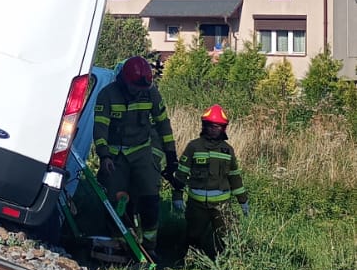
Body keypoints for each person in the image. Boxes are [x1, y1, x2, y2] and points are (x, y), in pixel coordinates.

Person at [93, 55, 177, 254]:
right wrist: (104, 156)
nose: (139, 92)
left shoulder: (151, 93)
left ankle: (149, 247)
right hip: (115, 155)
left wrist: (171, 155)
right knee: (116, 200)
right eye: (135, 88)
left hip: (141, 150)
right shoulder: (107, 95)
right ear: (124, 80)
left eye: (142, 89)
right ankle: (119, 244)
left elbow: (163, 124)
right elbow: (100, 129)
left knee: (150, 197)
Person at [174, 103, 248, 257]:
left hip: (222, 205)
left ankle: (226, 262)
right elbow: (181, 173)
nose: (213, 129)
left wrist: (243, 201)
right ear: (204, 126)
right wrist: (177, 197)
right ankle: (190, 262)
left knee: (226, 236)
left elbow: (235, 177)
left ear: (223, 128)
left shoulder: (228, 150)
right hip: (197, 204)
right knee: (193, 236)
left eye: (217, 126)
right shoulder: (193, 147)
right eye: (210, 126)